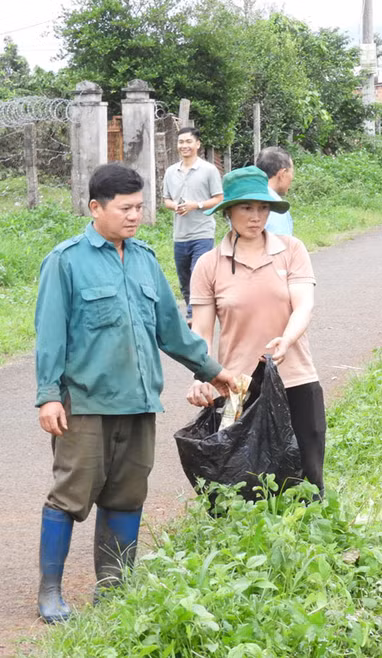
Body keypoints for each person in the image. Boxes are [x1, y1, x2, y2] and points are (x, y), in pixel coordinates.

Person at [34, 163, 236, 623]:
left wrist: (213, 370)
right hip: (83, 404)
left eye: (140, 207)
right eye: (125, 208)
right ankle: (51, 591)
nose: (136, 216)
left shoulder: (144, 259)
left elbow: (172, 329)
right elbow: (50, 335)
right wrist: (48, 396)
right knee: (70, 495)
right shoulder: (65, 261)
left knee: (126, 495)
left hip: (140, 402)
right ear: (95, 208)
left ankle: (114, 590)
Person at [186, 165, 326, 498]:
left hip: (296, 378)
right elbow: (202, 331)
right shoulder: (209, 264)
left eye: (263, 208)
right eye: (247, 207)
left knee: (307, 479)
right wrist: (201, 376)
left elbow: (303, 305)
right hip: (238, 387)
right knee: (245, 483)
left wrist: (287, 340)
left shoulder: (291, 250)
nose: (256, 216)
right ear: (228, 212)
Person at [162, 126, 224, 325]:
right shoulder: (171, 171)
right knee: (184, 278)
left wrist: (195, 205)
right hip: (180, 234)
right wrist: (176, 207)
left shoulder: (209, 170)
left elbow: (218, 199)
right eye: (181, 142)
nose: (184, 146)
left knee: (198, 272)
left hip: (203, 232)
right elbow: (166, 200)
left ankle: (191, 316)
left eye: (188, 142)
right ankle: (196, 311)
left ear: (197, 144)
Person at [255, 146, 295, 236]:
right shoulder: (276, 206)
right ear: (283, 174)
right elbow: (280, 245)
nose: (292, 178)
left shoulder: (246, 198)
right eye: (291, 172)